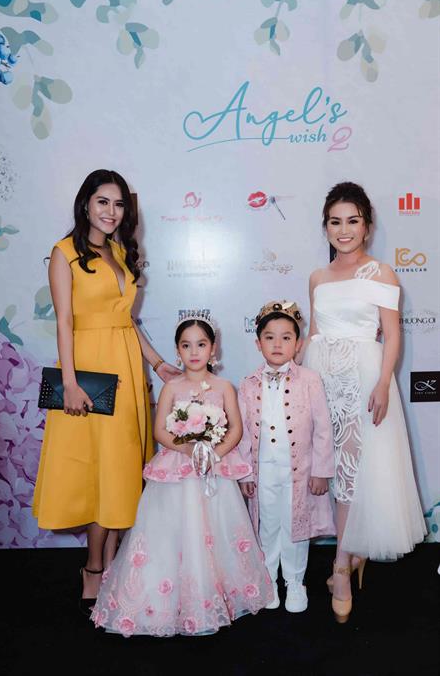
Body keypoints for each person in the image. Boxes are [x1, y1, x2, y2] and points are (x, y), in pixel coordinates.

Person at [32, 169, 179, 615]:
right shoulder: (64, 253)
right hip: (88, 370)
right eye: (103, 202)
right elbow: (64, 322)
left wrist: (158, 363)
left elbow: (126, 319)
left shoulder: (118, 251)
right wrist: (70, 383)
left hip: (127, 367)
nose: (111, 212)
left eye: (118, 204)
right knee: (98, 470)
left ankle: (112, 564)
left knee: (121, 468)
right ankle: (93, 568)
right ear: (85, 204)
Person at [91, 311, 273, 637]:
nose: (194, 351)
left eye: (201, 344)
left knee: (215, 533)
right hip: (177, 466)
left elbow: (235, 428)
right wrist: (189, 449)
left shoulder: (224, 387)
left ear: (213, 349)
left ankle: (212, 598)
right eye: (186, 345)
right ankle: (159, 602)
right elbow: (160, 430)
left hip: (213, 469)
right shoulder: (172, 387)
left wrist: (214, 453)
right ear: (177, 351)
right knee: (169, 533)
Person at [300, 181, 426, 623]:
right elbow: (313, 333)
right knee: (330, 468)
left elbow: (392, 335)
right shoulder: (318, 278)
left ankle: (340, 566)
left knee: (352, 472)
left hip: (363, 379)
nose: (344, 230)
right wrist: (292, 378)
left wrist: (383, 383)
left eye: (352, 221)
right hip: (322, 379)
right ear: (326, 227)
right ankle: (351, 553)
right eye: (335, 222)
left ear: (367, 227)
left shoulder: (382, 273)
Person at [238, 300, 335, 614]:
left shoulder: (310, 380)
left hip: (299, 471)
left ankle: (295, 582)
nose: (277, 344)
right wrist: (245, 473)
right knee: (267, 525)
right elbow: (242, 433)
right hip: (263, 470)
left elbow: (322, 428)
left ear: (298, 344)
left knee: (296, 527)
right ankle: (268, 580)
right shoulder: (247, 384)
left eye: (286, 337)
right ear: (258, 343)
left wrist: (320, 471)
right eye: (269, 337)